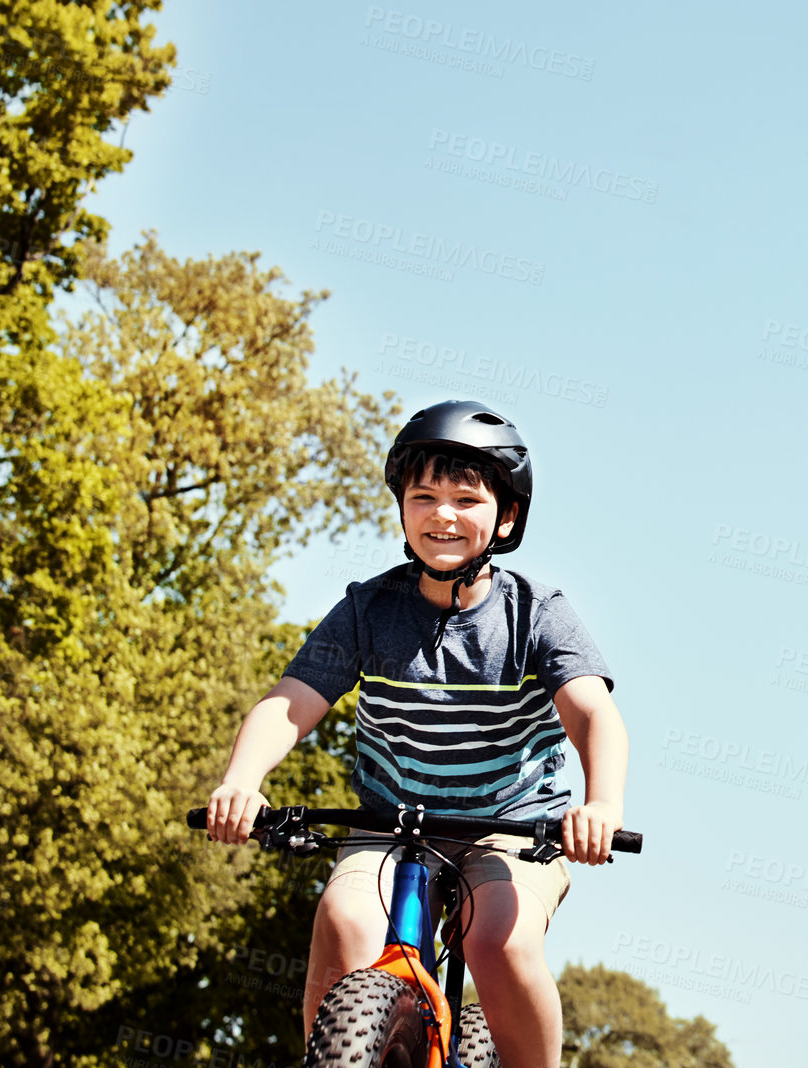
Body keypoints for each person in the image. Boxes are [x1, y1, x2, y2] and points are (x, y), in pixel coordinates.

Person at [204, 400, 628, 1068]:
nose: (443, 514)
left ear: (507, 516)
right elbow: (289, 705)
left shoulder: (536, 613)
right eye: (423, 495)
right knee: (344, 921)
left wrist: (602, 804)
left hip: (511, 829)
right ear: (401, 507)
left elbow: (591, 714)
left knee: (500, 945)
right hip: (389, 823)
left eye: (467, 498)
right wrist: (241, 781)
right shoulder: (367, 609)